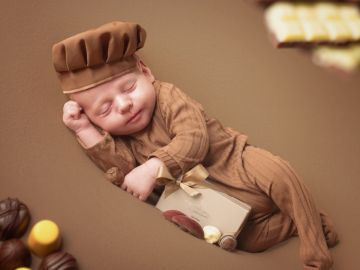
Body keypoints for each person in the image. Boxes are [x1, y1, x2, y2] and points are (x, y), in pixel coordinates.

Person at [53, 21, 338, 270]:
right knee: (248, 240)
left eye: (128, 88)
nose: (125, 105)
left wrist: (153, 167)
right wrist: (85, 130)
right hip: (214, 200)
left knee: (280, 174)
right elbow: (125, 172)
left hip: (236, 162)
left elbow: (194, 138)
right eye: (105, 110)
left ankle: (316, 257)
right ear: (96, 119)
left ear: (145, 71)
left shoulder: (167, 96)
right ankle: (301, 220)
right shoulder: (123, 139)